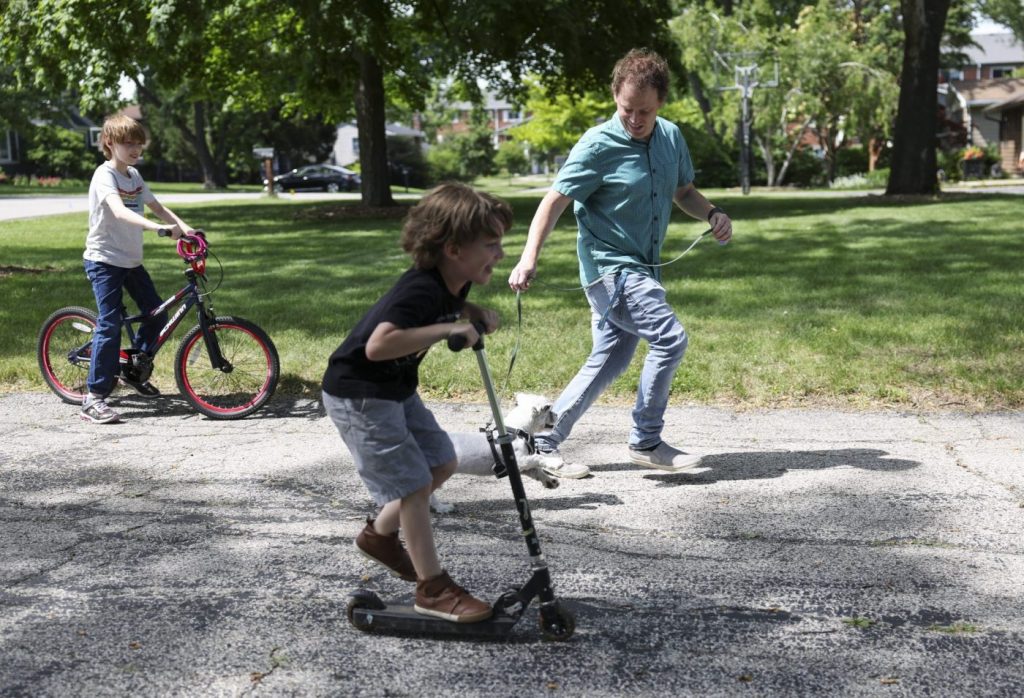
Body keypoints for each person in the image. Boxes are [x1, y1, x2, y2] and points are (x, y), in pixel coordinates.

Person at [508, 48, 733, 476]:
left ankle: (542, 441)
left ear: (661, 103)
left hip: (642, 267)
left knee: (610, 358)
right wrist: (528, 257)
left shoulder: (670, 137)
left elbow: (683, 191)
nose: (634, 118)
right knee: (670, 338)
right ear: (616, 97)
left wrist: (713, 213)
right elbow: (554, 200)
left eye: (644, 111)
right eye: (627, 108)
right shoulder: (597, 145)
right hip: (609, 269)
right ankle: (646, 439)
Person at [321, 182, 510, 623]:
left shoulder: (452, 283)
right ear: (453, 247)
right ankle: (434, 589)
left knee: (440, 462)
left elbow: (447, 309)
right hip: (361, 394)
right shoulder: (420, 289)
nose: (499, 253)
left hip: (394, 389)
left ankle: (380, 537)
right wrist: (447, 331)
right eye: (491, 244)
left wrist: (471, 312)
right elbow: (379, 344)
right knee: (411, 487)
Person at [81, 114, 195, 424]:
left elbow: (159, 207)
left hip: (130, 261)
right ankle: (94, 398)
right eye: (127, 143)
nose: (135, 149)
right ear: (110, 143)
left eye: (139, 144)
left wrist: (187, 229)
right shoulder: (105, 176)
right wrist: (157, 229)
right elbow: (118, 211)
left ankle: (132, 370)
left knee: (156, 312)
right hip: (104, 261)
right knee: (110, 323)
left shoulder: (133, 175)